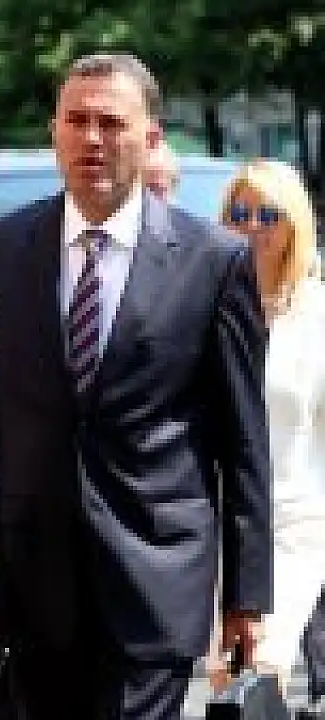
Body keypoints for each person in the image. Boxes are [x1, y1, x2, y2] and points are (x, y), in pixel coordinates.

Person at [0, 54, 272, 719]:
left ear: (151, 137)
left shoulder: (213, 263)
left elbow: (243, 440)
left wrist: (246, 595)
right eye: (76, 121)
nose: (92, 139)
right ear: (53, 131)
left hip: (155, 579)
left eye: (111, 123)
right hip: (32, 581)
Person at [213, 159, 325, 693]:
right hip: (218, 524)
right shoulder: (206, 301)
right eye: (240, 214)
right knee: (225, 674)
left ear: (295, 223)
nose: (253, 227)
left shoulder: (316, 314)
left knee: (265, 661)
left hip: (294, 522)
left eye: (268, 214)